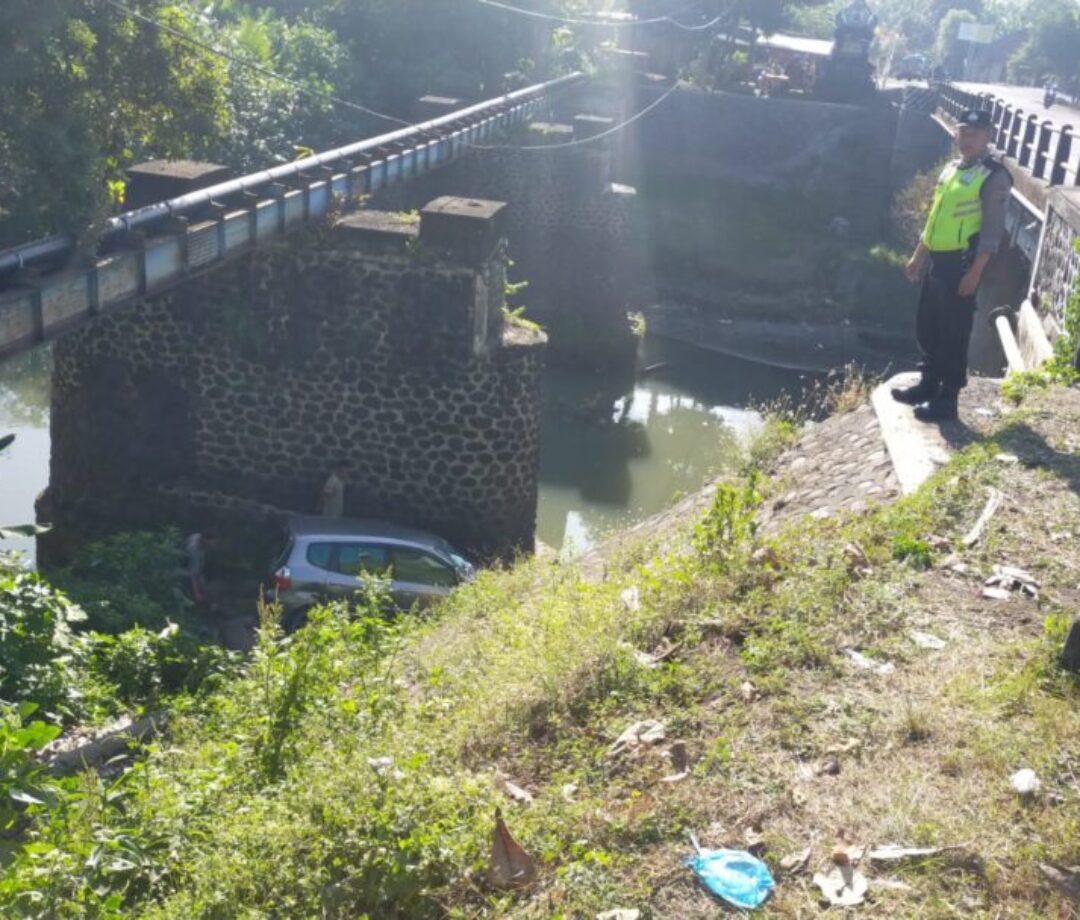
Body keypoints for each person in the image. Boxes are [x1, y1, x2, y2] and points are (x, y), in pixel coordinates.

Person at [894, 108, 1013, 421]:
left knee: (953, 332)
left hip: (963, 264)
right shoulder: (951, 170)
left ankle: (947, 400)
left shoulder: (993, 175)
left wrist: (975, 272)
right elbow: (936, 217)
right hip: (938, 260)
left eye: (975, 134)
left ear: (988, 136)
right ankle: (928, 384)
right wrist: (919, 255)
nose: (967, 139)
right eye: (963, 132)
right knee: (929, 325)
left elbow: (992, 232)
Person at [185, 530, 215, 606]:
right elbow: (193, 574)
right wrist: (196, 593)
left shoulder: (198, 537)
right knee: (194, 590)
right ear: (206, 540)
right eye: (212, 541)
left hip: (196, 569)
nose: (213, 544)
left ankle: (208, 604)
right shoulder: (194, 550)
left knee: (204, 587)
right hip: (186, 569)